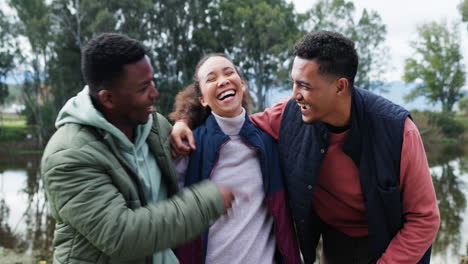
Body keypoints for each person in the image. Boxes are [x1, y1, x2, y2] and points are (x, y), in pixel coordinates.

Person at [170, 31, 440, 264]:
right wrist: (184, 120)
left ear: (340, 86)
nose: (294, 94)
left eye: (305, 85)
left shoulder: (397, 130)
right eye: (293, 82)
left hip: (392, 243)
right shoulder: (289, 115)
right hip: (335, 244)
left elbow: (424, 219)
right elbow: (232, 119)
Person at [41, 33, 235, 264]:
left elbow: (208, 101)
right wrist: (208, 201)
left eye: (152, 81)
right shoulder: (67, 157)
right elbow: (123, 236)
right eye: (143, 88)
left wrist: (183, 120)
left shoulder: (154, 125)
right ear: (108, 99)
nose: (154, 93)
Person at [169, 53, 301, 264]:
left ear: (242, 83)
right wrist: (181, 122)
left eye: (229, 73)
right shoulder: (189, 147)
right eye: (211, 79)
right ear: (202, 99)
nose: (223, 81)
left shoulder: (268, 141)